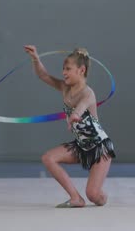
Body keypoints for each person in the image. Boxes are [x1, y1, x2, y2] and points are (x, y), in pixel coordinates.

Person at [24, 45, 116, 208]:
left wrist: (75, 115)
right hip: (81, 146)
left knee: (93, 195)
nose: (63, 73)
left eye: (68, 69)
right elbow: (43, 75)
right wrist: (35, 58)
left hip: (100, 148)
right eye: (63, 69)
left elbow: (81, 107)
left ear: (81, 70)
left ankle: (102, 196)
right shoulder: (64, 87)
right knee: (48, 158)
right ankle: (76, 198)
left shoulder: (88, 93)